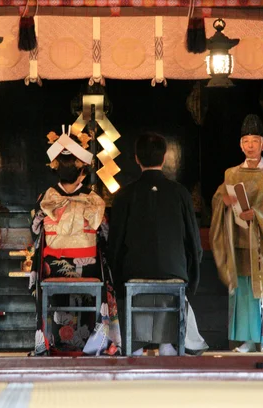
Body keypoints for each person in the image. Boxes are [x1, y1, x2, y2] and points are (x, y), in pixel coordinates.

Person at [108, 131, 207, 356]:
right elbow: (193, 240)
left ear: (136, 158)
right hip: (174, 269)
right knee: (170, 282)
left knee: (133, 275)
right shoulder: (180, 193)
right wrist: (190, 276)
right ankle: (167, 344)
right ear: (163, 158)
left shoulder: (124, 194)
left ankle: (135, 344)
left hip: (134, 270)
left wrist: (116, 275)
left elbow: (115, 243)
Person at [30, 126, 121, 356]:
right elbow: (106, 235)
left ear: (56, 169)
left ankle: (49, 341)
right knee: (102, 265)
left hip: (54, 267)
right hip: (88, 265)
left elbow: (35, 233)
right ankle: (95, 340)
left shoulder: (46, 199)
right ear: (82, 172)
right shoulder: (94, 200)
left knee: (44, 264)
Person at [210, 114, 263, 354]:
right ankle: (245, 340)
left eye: (255, 140)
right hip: (240, 243)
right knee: (243, 292)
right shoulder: (231, 174)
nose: (250, 145)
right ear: (240, 144)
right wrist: (224, 201)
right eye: (246, 140)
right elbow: (218, 199)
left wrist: (257, 213)